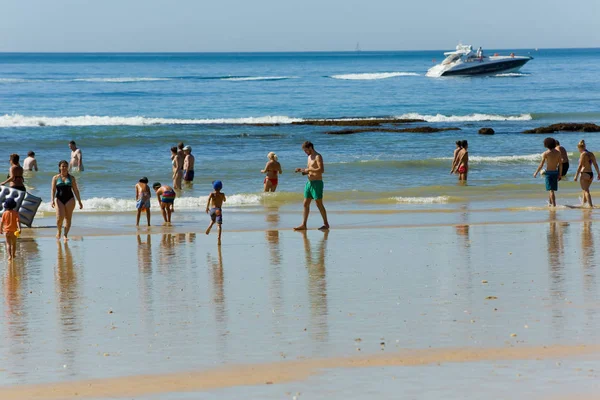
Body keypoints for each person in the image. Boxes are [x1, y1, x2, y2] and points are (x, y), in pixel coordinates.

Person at [294, 141, 330, 231]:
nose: (305, 152)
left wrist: (308, 169)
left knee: (319, 204)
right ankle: (303, 224)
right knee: (305, 203)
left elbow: (321, 170)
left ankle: (326, 224)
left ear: (310, 148)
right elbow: (310, 170)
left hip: (317, 183)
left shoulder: (318, 156)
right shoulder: (309, 157)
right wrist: (302, 171)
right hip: (309, 183)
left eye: (306, 150)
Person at [51, 160, 83, 240]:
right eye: (62, 166)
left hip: (70, 199)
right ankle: (59, 231)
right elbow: (53, 190)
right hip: (59, 199)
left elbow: (75, 190)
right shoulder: (55, 178)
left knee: (68, 218)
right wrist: (52, 200)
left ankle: (65, 234)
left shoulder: (71, 178)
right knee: (59, 218)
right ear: (59, 167)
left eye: (66, 166)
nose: (64, 168)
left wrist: (79, 201)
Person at [533, 137, 563, 207]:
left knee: (551, 190)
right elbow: (560, 164)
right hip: (555, 172)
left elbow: (541, 164)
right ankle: (550, 204)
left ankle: (554, 205)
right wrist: (560, 174)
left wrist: (536, 172)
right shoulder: (558, 153)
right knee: (551, 189)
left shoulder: (546, 153)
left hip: (549, 173)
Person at [573, 140, 600, 207]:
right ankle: (583, 204)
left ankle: (590, 206)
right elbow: (595, 164)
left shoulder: (583, 154)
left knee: (586, 190)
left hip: (584, 173)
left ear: (579, 148)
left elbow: (580, 166)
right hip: (591, 174)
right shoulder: (591, 154)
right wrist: (599, 173)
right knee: (585, 190)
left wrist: (576, 175)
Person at [205, 180, 226, 245]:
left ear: (214, 188)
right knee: (219, 225)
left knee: (213, 220)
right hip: (218, 210)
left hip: (212, 210)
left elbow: (208, 200)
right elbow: (224, 200)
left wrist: (207, 207)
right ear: (221, 187)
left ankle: (210, 226)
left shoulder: (212, 194)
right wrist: (222, 198)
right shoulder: (222, 194)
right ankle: (219, 239)